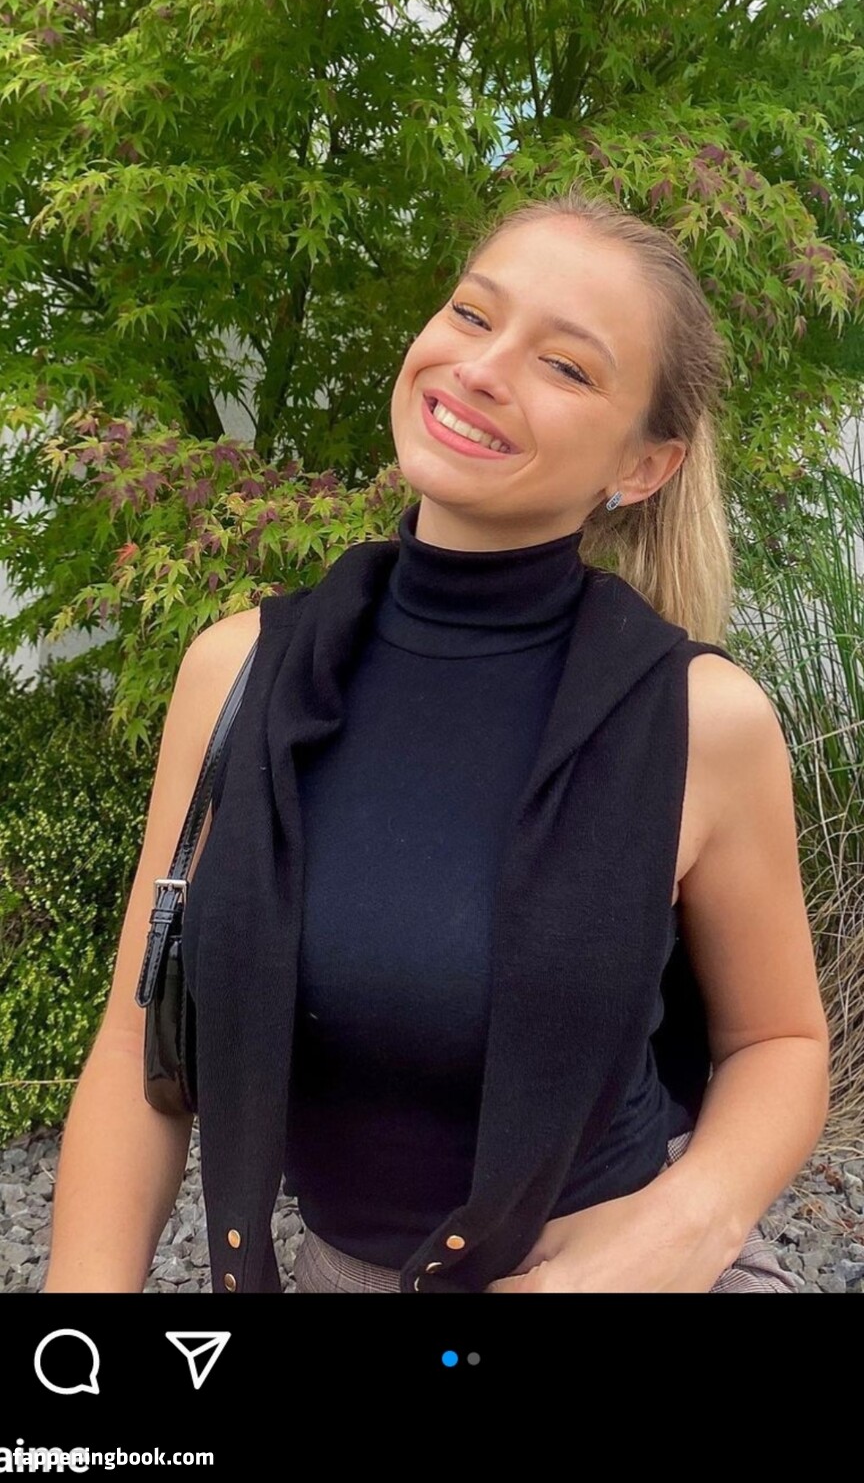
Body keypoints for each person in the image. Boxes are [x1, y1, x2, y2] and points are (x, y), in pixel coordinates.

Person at [43, 186, 830, 1295]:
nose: (483, 367)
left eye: (567, 366)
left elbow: (779, 1044)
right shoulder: (239, 674)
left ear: (644, 467)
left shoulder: (697, 720)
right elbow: (140, 1048)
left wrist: (682, 1230)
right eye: (472, 313)